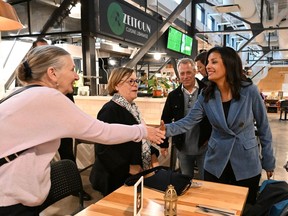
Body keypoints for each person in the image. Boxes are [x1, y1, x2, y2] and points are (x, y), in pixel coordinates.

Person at [0, 45, 165, 215]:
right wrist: (143, 131)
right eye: (72, 69)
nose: (76, 75)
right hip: (10, 201)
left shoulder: (19, 93)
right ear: (52, 73)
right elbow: (103, 132)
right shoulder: (48, 97)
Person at [161, 46, 275, 205]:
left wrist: (268, 160)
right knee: (214, 206)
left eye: (213, 62)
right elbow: (189, 121)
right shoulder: (206, 94)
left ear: (228, 64)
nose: (207, 66)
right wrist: (165, 130)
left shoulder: (249, 91)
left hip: (246, 163)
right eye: (207, 62)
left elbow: (264, 128)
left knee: (244, 208)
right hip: (216, 163)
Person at [89, 67, 160, 196]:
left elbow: (141, 139)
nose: (135, 85)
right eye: (130, 81)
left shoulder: (133, 108)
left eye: (136, 80)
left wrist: (153, 155)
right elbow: (102, 149)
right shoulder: (110, 110)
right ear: (116, 85)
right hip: (116, 177)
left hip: (133, 173)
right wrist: (128, 168)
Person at [160, 58, 211, 179]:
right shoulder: (173, 95)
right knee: (185, 180)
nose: (185, 76)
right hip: (183, 147)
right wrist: (163, 144)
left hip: (204, 145)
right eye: (182, 73)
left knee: (207, 181)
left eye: (188, 72)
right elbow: (165, 119)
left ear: (195, 71)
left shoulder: (208, 91)